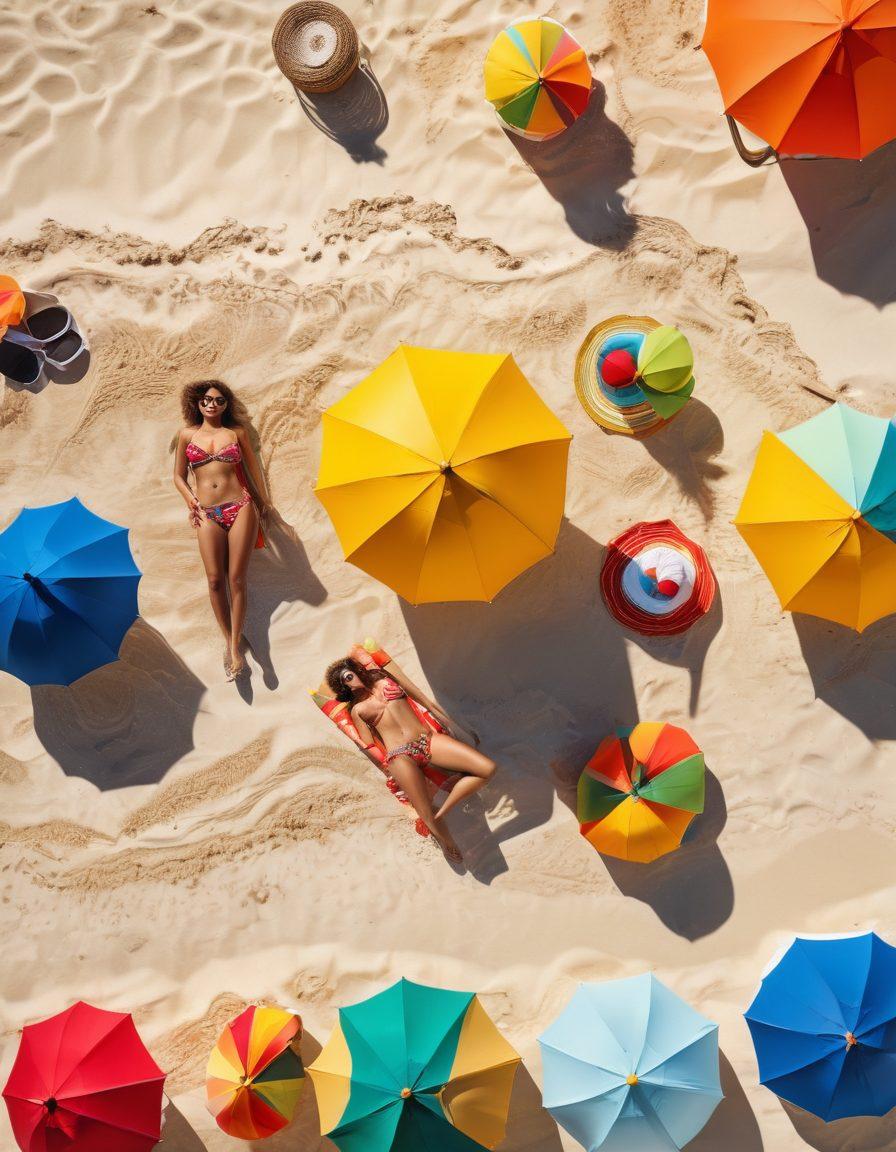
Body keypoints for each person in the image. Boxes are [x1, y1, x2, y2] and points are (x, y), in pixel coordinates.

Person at [325, 657, 495, 863]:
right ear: (344, 686)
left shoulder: (384, 679)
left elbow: (415, 694)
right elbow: (369, 743)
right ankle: (446, 841)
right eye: (347, 679)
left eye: (352, 672)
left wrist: (448, 723)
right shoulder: (357, 710)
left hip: (428, 740)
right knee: (424, 808)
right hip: (399, 755)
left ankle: (444, 810)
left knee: (487, 769)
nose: (353, 678)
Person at [173, 380, 271, 680]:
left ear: (226, 404)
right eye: (206, 400)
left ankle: (233, 648)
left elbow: (254, 472)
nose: (212, 404)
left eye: (218, 400)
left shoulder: (236, 434)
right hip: (207, 512)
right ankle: (230, 638)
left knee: (236, 578)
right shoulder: (186, 434)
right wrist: (192, 501)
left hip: (240, 506)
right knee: (215, 580)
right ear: (197, 403)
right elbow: (178, 476)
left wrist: (264, 503)